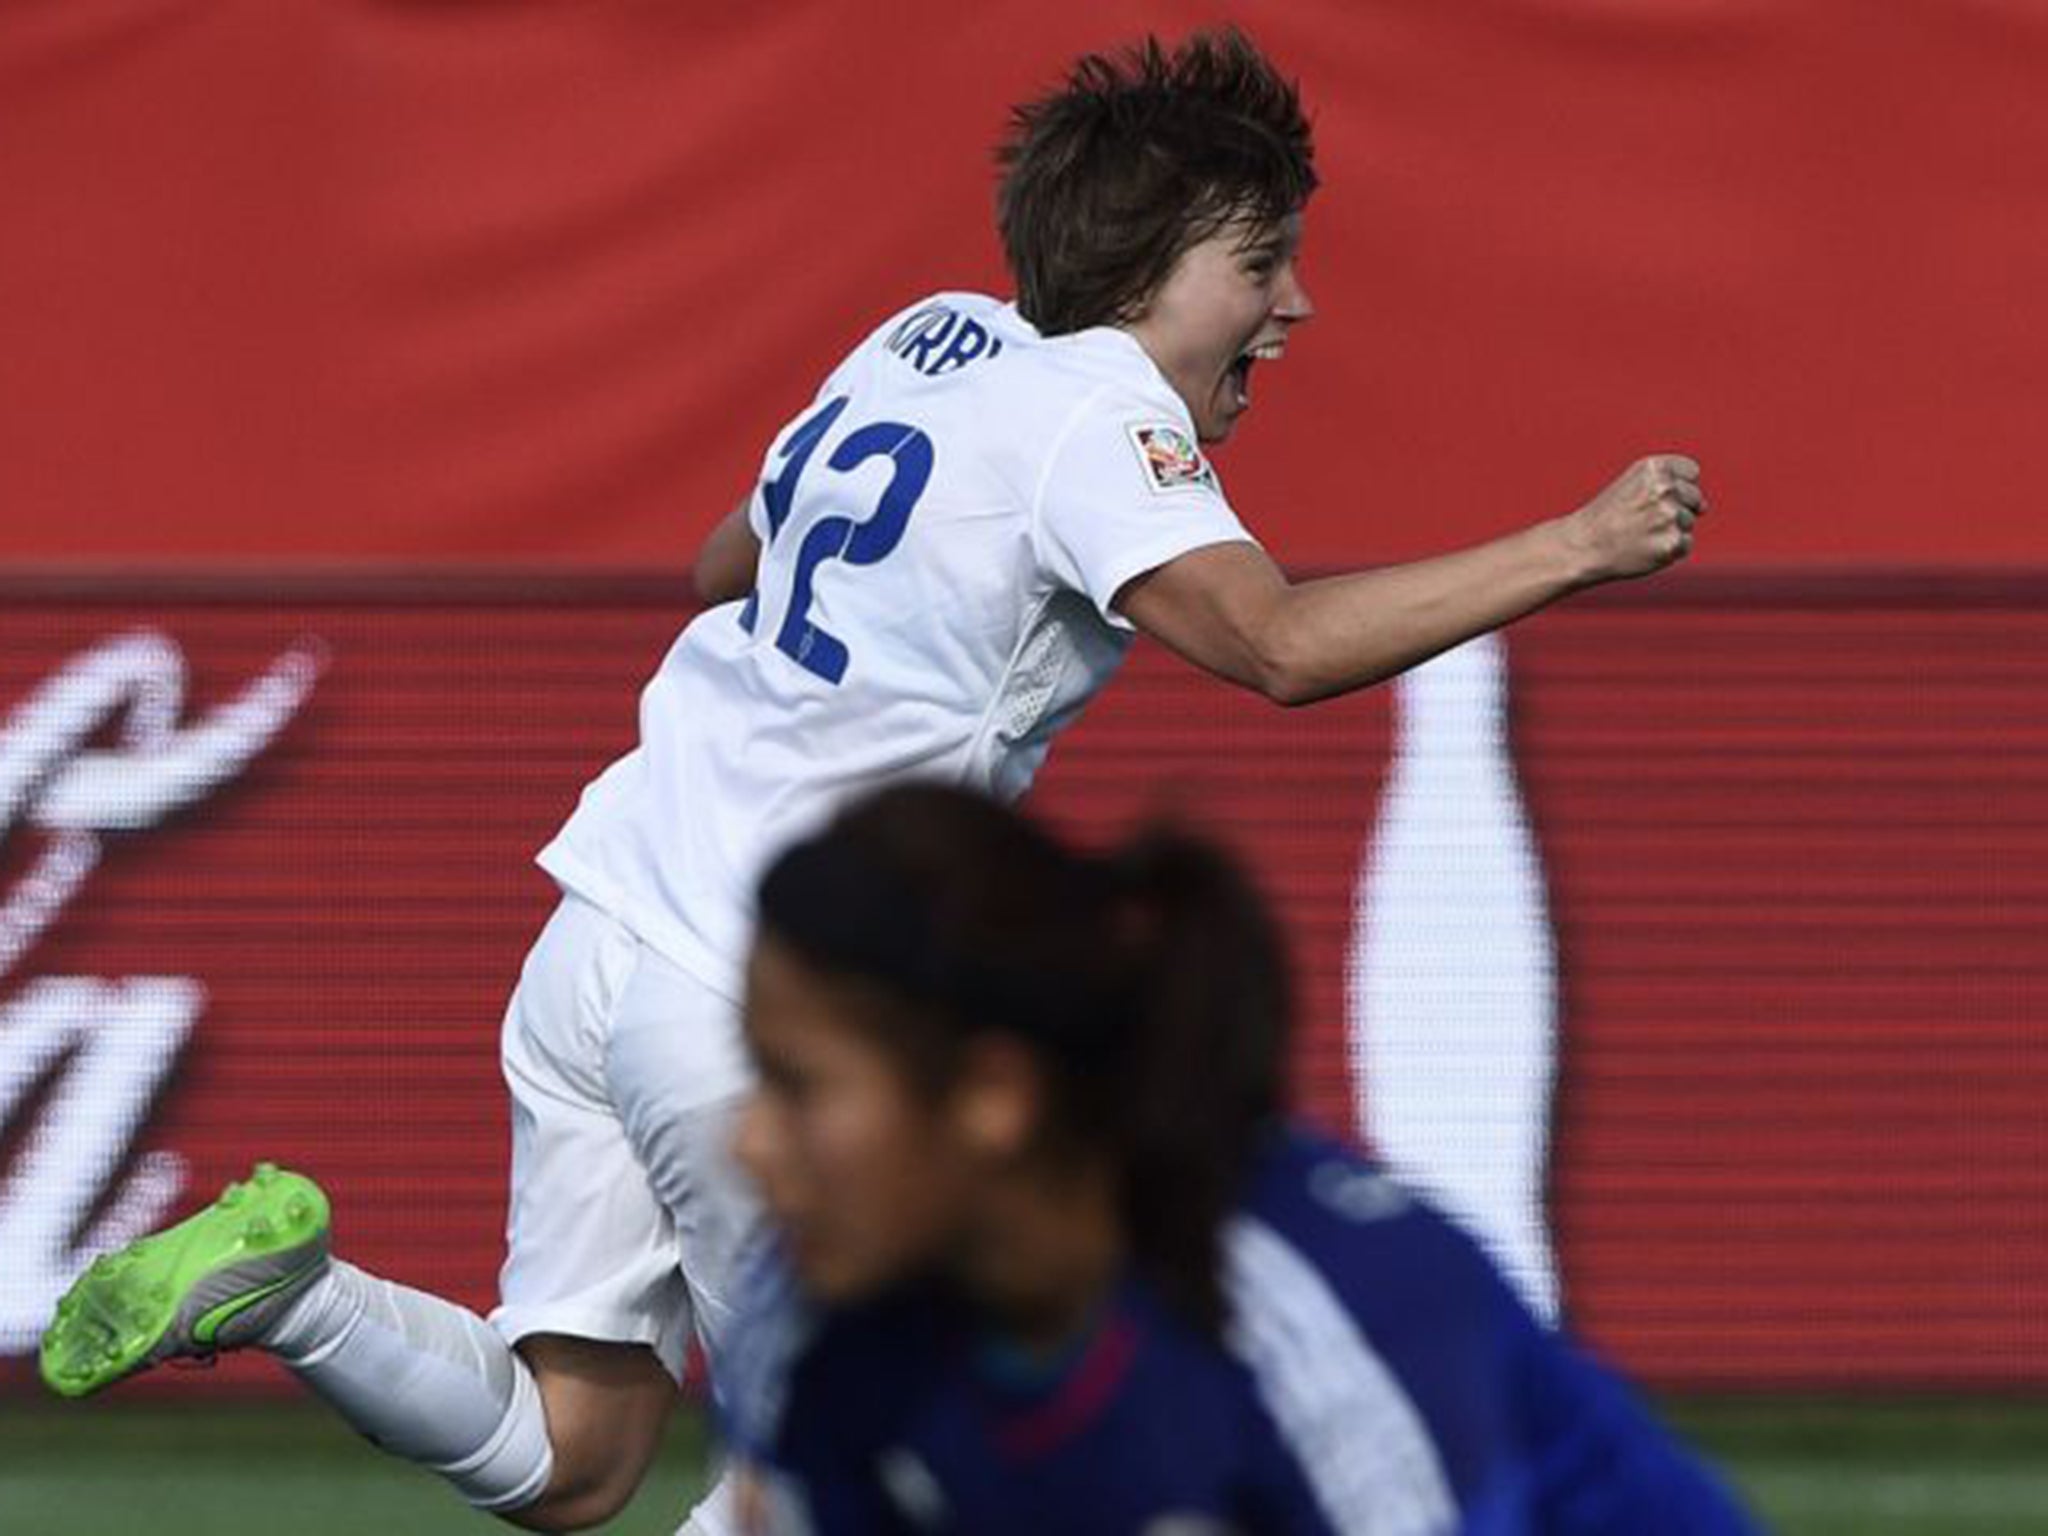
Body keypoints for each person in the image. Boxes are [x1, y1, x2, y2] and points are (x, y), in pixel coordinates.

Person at [40, 27, 1707, 1536]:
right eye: (1258, 263)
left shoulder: (925, 337)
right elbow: (1271, 647)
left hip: (602, 927)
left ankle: (290, 1297)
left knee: (575, 1456)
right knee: (828, 1475)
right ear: (1143, 273)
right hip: (761, 1002)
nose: (1292, 304)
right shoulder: (1095, 411)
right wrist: (1576, 542)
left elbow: (723, 565)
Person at [721, 782, 1758, 1535]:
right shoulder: (808, 1329)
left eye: (798, 1086)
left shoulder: (1323, 1317)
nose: (748, 1144)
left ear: (993, 1097)